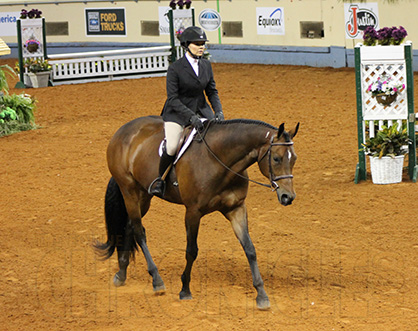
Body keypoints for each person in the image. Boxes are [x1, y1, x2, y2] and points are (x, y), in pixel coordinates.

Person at [148, 26, 224, 198]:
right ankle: (160, 180)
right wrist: (191, 117)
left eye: (203, 43)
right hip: (178, 113)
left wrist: (218, 111)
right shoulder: (175, 68)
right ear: (186, 45)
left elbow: (211, 91)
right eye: (197, 43)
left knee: (218, 138)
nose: (201, 46)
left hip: (202, 111)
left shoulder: (206, 65)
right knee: (173, 145)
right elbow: (173, 98)